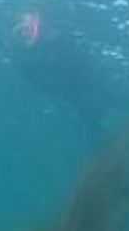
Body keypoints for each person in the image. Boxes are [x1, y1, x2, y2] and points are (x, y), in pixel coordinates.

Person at [9, 11, 123, 140]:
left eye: (30, 28)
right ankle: (103, 144)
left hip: (88, 79)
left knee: (113, 97)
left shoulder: (57, 36)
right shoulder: (21, 56)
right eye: (21, 31)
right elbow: (34, 79)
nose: (26, 33)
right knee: (91, 116)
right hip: (69, 90)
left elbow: (81, 54)